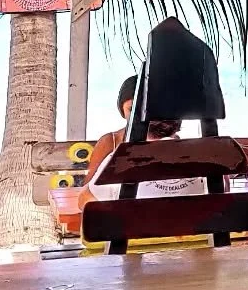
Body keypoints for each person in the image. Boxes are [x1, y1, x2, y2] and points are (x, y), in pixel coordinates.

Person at [82, 74, 204, 202]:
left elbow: (86, 197)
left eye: (144, 111)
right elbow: (88, 187)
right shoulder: (110, 141)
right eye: (132, 110)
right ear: (122, 110)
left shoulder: (176, 145)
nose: (139, 118)